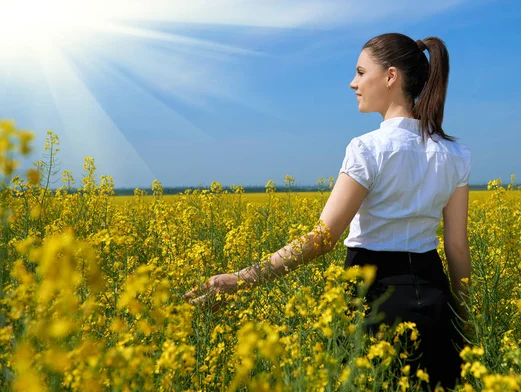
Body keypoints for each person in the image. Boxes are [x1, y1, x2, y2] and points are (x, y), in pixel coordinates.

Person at [184, 32, 471, 390]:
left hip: (374, 297)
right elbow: (457, 247)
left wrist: (242, 279)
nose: (353, 83)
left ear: (391, 77)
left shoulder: (368, 149)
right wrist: (464, 319)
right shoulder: (456, 154)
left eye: (361, 72)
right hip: (435, 298)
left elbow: (323, 239)